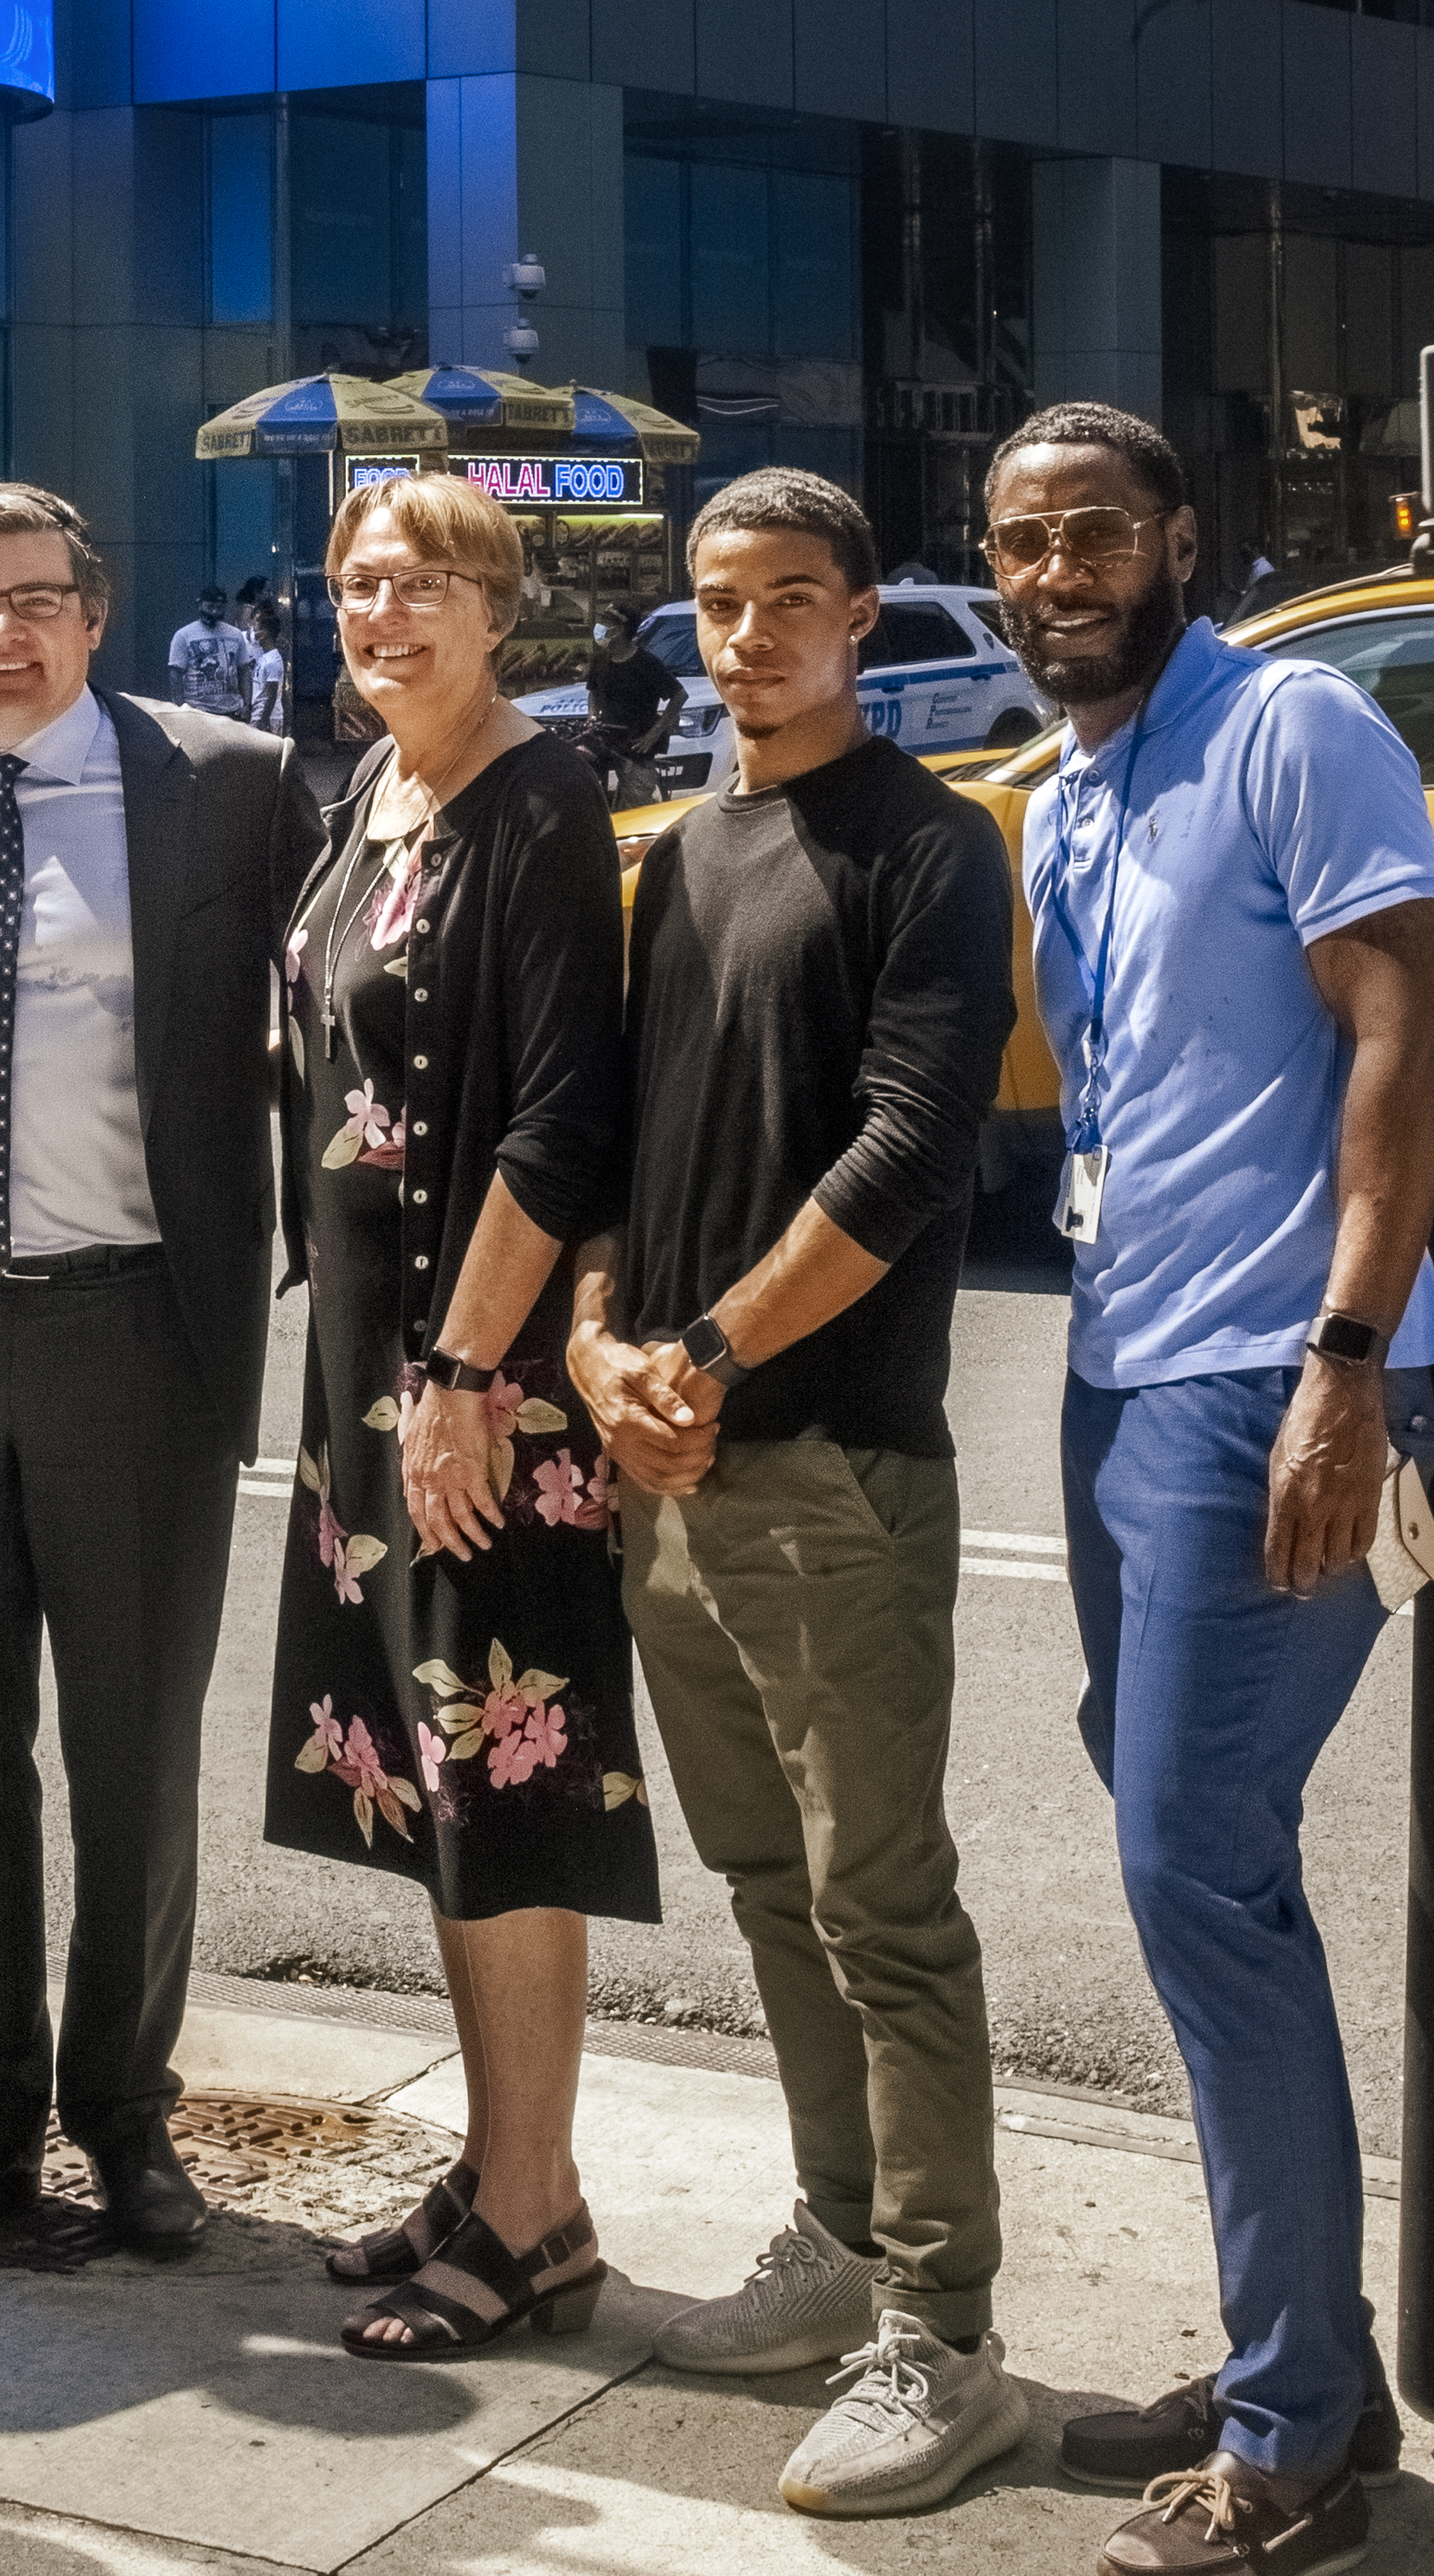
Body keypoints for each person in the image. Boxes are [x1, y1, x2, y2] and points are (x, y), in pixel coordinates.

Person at [994, 402, 1434, 2573]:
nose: (1054, 570)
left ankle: (1292, 2441)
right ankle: (1307, 2350)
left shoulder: (1287, 726)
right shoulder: (1073, 783)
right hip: (1119, 1370)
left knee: (1192, 1860)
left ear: (1177, 536)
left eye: (1093, 531)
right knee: (1185, 1853)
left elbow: (1399, 1031)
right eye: (1018, 543)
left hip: (1276, 1381)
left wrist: (1341, 1368)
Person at [570, 465, 1023, 2520]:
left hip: (830, 1457)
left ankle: (943, 2329)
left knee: (881, 1904)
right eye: (713, 603)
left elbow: (919, 1138)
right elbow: (615, 1149)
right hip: (666, 1454)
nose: (741, 637)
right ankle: (835, 2234)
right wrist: (595, 1350)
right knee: (767, 1887)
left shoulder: (932, 846)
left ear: (860, 618)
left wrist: (714, 1351)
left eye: (787, 602)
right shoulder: (681, 852)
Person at [0, 482, 319, 2256]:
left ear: (96, 612)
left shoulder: (231, 783)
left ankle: (124, 2110)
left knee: (131, 1747)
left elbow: (335, 1024)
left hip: (137, 1326)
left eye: (34, 599)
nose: (0, 633)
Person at [262, 475, 655, 2360]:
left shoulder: (537, 797)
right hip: (373, 1379)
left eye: (425, 581)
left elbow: (558, 1113)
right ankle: (517, 2173)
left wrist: (467, 1373)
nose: (384, 609)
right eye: (357, 581)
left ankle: (527, 2218)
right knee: (432, 1786)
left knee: (498, 1785)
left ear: (502, 607)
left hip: (465, 1386)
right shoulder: (379, 798)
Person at [578, 603, 686, 802]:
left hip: (636, 746)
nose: (599, 627)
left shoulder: (646, 663)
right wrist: (593, 717)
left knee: (636, 806)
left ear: (619, 630)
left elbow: (679, 696)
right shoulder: (601, 660)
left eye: (606, 623)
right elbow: (593, 692)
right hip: (606, 741)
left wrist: (653, 735)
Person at [167, 584, 257, 721]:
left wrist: (246, 704)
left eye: (219, 607)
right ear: (200, 605)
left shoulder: (235, 634)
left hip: (232, 711)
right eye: (210, 607)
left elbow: (244, 670)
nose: (214, 612)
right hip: (197, 711)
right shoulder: (184, 635)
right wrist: (179, 708)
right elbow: (175, 674)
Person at [247, 594, 288, 735]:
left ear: (265, 632)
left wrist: (263, 721)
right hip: (258, 715)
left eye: (256, 626)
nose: (253, 630)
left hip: (268, 718)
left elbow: (271, 695)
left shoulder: (273, 660)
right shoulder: (264, 656)